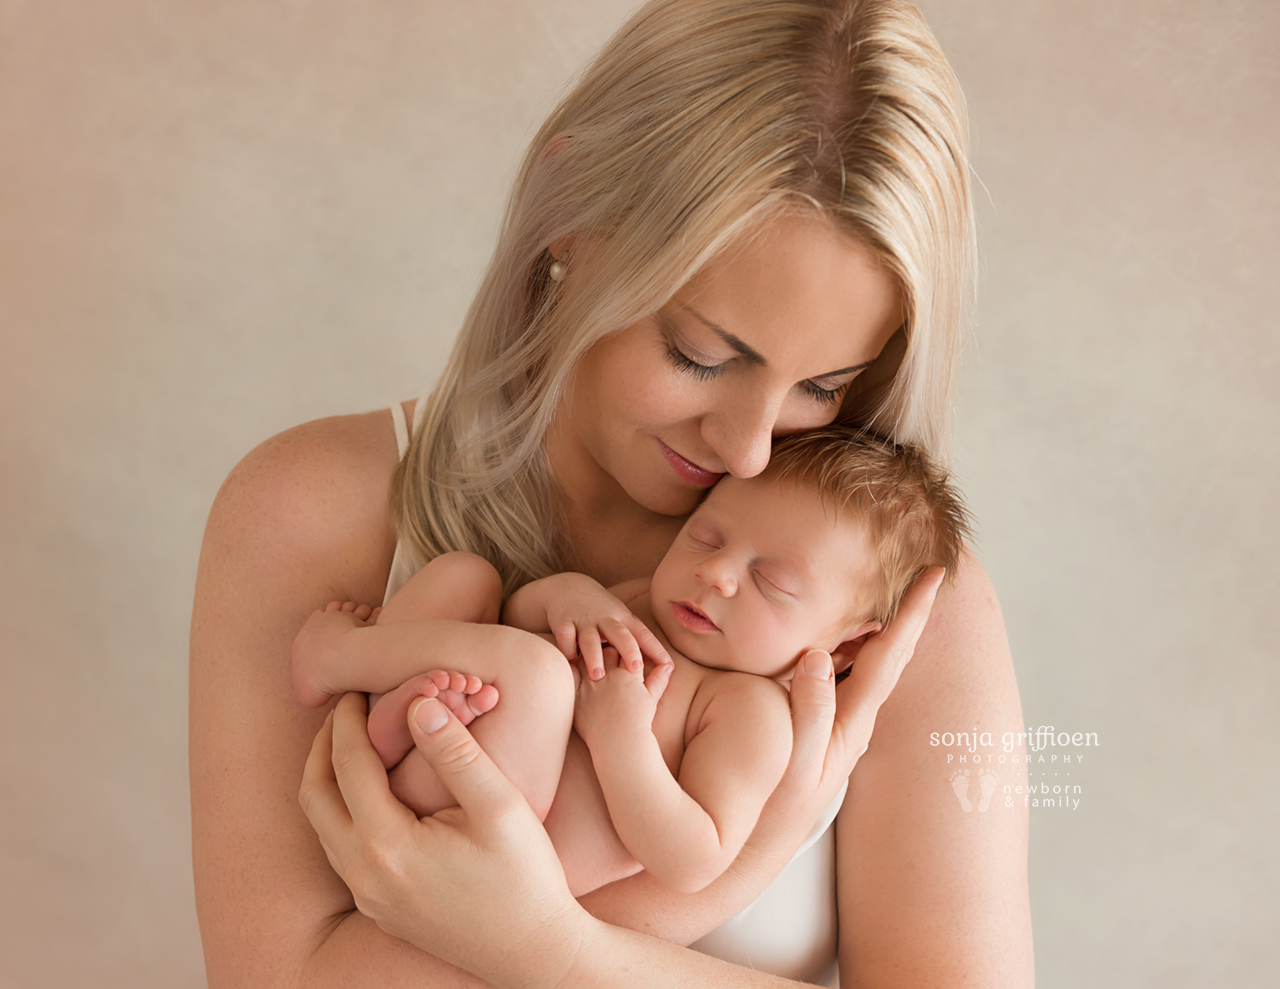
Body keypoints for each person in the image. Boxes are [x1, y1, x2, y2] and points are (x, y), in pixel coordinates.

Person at [189, 0, 1034, 985]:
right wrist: (755, 851)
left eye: (821, 386)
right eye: (699, 353)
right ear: (568, 215)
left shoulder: (882, 597)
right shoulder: (306, 511)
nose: (750, 450)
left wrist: (557, 950)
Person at [291, 428, 969, 899]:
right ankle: (390, 722)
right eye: (707, 536)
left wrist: (622, 742)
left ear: (846, 645)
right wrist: (566, 597)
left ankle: (340, 659)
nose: (719, 575)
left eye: (773, 582)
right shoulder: (641, 603)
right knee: (466, 578)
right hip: (440, 764)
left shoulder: (748, 712)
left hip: (487, 848)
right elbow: (517, 625)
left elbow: (695, 857)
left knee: (537, 676)